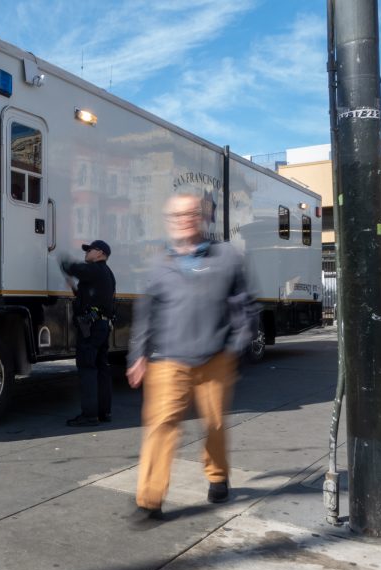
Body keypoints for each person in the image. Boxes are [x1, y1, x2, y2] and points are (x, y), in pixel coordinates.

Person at [126, 191, 255, 523]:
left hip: (215, 357)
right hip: (168, 358)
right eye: (176, 216)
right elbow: (147, 312)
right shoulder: (158, 262)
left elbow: (243, 303)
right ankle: (150, 499)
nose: (183, 220)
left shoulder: (226, 256)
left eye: (190, 214)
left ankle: (217, 475)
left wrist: (238, 344)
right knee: (160, 425)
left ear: (202, 217)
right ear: (169, 221)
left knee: (213, 423)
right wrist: (138, 355)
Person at [60, 239, 116, 427]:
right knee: (102, 369)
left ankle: (89, 415)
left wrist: (60, 256)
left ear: (100, 253)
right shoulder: (107, 273)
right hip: (102, 325)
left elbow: (71, 267)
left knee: (87, 369)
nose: (86, 253)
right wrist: (75, 289)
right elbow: (94, 296)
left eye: (89, 250)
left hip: (90, 328)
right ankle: (104, 412)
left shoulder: (94, 270)